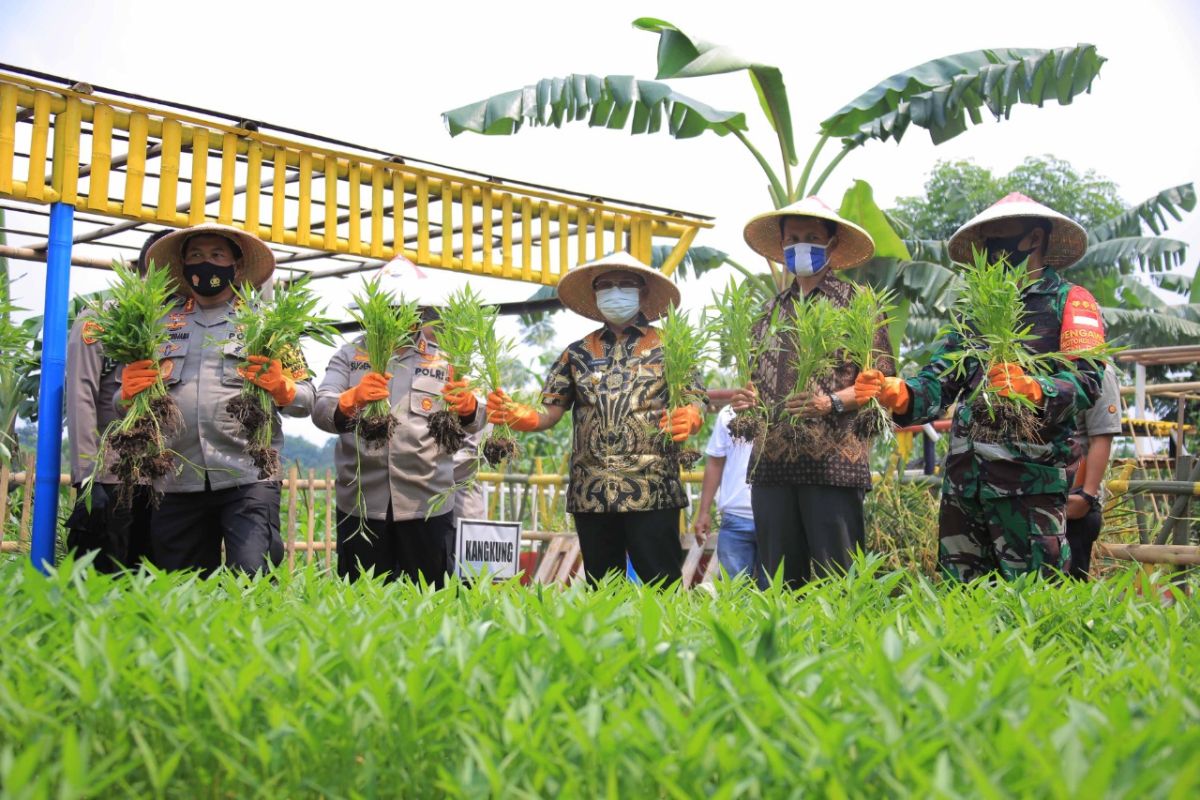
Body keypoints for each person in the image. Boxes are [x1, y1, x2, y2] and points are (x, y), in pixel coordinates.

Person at [858, 193, 1107, 581]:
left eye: (998, 235)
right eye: (985, 238)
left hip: (1028, 484)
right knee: (963, 600)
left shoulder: (1070, 302)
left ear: (1034, 238)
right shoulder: (973, 313)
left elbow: (1087, 378)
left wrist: (1035, 388)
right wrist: (903, 393)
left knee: (1035, 601)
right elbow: (941, 378)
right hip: (964, 483)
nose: (990, 247)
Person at [486, 252, 705, 586]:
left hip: (653, 487)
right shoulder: (576, 353)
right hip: (591, 491)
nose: (615, 292)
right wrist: (523, 417)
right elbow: (550, 411)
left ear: (643, 292)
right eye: (606, 285)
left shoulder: (672, 346)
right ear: (595, 295)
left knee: (662, 587)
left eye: (625, 284)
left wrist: (691, 415)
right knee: (603, 589)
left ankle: (667, 639)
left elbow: (696, 398)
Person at [118, 223, 312, 574]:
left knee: (252, 578)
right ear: (182, 266)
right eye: (196, 256)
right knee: (181, 588)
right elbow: (126, 400)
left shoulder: (267, 324)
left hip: (248, 476)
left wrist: (283, 388)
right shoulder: (158, 325)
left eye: (216, 255)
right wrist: (126, 393)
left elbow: (307, 398)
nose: (205, 263)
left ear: (236, 267)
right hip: (176, 478)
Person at [730, 196, 892, 588]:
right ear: (782, 245)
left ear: (832, 244)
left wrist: (830, 402)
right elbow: (755, 380)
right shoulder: (767, 313)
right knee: (777, 582)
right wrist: (746, 401)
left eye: (812, 237)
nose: (800, 245)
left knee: (838, 580)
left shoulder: (859, 305)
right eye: (793, 238)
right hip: (772, 464)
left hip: (832, 463)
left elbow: (881, 381)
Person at [312, 306, 485, 586]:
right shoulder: (350, 355)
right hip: (361, 503)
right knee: (361, 600)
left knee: (430, 601)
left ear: (421, 313)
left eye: (409, 308)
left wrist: (469, 408)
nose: (400, 315)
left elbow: (480, 418)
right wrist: (350, 400)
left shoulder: (445, 359)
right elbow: (320, 409)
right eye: (389, 306)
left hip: (428, 504)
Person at [63, 230, 167, 571]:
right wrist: (88, 476)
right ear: (145, 267)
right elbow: (81, 395)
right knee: (103, 576)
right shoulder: (102, 317)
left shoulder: (182, 327)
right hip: (111, 474)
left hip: (165, 481)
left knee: (153, 581)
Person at [1066, 365, 1121, 579]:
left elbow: (1101, 436)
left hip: (1074, 502)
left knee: (1066, 589)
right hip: (1032, 498)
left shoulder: (1096, 367)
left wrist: (1086, 496)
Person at [694, 403, 759, 584]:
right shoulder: (729, 412)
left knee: (774, 590)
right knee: (733, 593)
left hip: (775, 517)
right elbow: (715, 462)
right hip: (735, 516)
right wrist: (703, 512)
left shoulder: (785, 409)